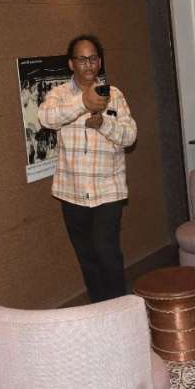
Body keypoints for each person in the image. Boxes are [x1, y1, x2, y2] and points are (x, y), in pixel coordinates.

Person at [37, 34, 137, 303]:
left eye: (93, 58)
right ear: (71, 64)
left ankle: (120, 309)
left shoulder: (114, 95)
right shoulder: (58, 95)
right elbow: (46, 118)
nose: (88, 64)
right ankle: (99, 310)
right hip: (72, 192)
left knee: (107, 252)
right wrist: (83, 103)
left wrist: (103, 124)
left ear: (100, 62)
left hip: (108, 190)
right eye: (81, 59)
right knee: (87, 257)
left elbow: (130, 136)